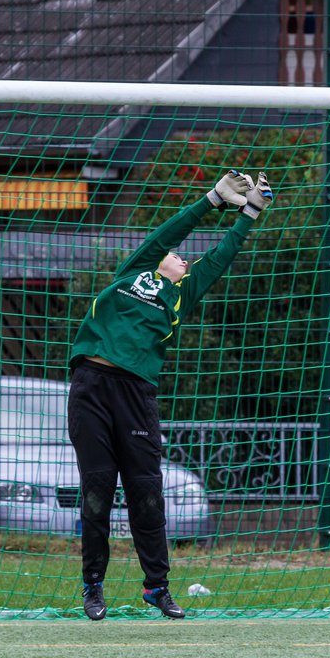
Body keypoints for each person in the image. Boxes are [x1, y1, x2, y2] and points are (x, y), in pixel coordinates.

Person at [68, 170, 274, 621]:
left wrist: (250, 212)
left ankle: (157, 588)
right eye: (175, 255)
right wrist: (213, 200)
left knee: (146, 493)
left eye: (183, 260)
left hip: (135, 395)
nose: (179, 257)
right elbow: (168, 233)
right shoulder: (136, 270)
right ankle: (92, 588)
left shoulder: (182, 293)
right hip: (91, 389)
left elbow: (222, 255)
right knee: (97, 492)